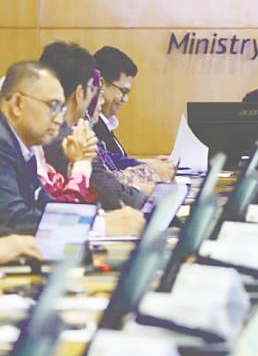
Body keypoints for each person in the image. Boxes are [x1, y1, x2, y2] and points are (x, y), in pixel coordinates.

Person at [0, 61, 143, 236]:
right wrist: (100, 226)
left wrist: (96, 220)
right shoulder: (3, 144)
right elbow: (13, 221)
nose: (59, 120)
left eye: (61, 109)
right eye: (52, 106)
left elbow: (46, 207)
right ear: (16, 104)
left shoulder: (24, 147)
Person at [39, 42, 149, 211]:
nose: (99, 100)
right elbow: (104, 190)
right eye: (93, 90)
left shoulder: (62, 132)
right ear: (80, 93)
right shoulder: (64, 137)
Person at [93, 45, 174, 182]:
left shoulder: (104, 124)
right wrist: (151, 169)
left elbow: (114, 162)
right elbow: (109, 177)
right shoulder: (88, 127)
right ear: (101, 84)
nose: (125, 99)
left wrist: (147, 164)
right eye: (123, 91)